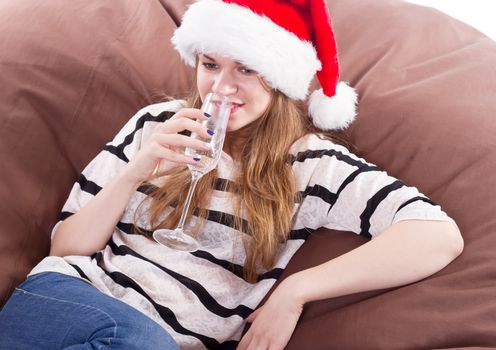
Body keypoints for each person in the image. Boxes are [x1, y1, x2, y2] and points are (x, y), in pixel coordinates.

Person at [0, 0, 464, 349]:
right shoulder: (157, 123)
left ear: (279, 79)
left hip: (164, 343)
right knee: (133, 339)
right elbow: (66, 247)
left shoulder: (313, 165)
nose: (221, 88)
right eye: (210, 65)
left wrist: (295, 293)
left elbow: (436, 235)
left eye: (246, 68)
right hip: (70, 297)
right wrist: (137, 170)